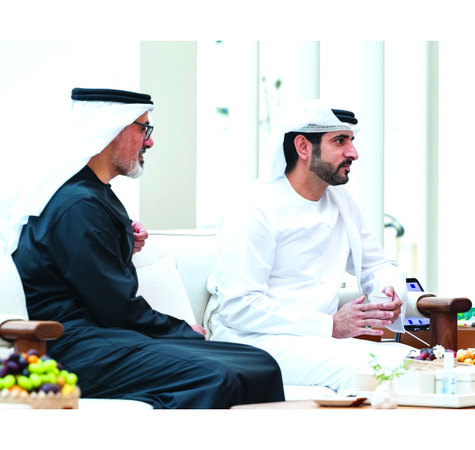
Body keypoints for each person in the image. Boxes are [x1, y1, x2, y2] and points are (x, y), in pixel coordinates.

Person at [8, 88, 284, 408]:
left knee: (259, 362)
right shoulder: (78, 205)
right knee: (216, 376)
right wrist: (181, 330)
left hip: (107, 338)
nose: (149, 142)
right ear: (113, 130)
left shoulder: (93, 195)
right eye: (144, 129)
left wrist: (122, 239)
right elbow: (115, 306)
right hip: (72, 346)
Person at [204, 100, 412, 393]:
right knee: (375, 372)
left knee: (416, 362)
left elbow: (377, 264)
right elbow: (238, 307)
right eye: (340, 141)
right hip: (253, 342)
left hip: (317, 341)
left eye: (351, 140)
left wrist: (388, 292)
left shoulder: (340, 201)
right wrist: (329, 325)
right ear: (303, 147)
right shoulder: (255, 207)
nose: (353, 153)